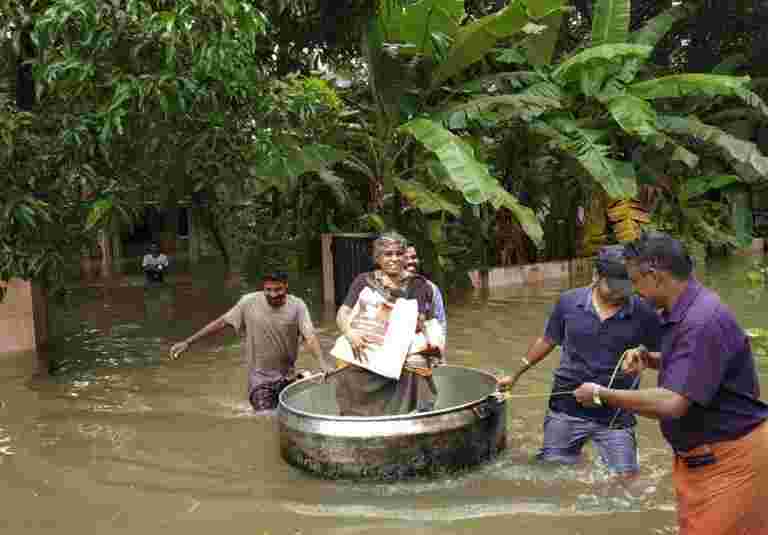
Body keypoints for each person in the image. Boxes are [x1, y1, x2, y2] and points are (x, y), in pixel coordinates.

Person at [574, 232, 768, 534]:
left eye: (636, 282)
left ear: (655, 277)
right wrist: (653, 360)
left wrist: (601, 393)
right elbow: (703, 365)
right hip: (705, 458)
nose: (634, 292)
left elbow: (672, 403)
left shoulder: (701, 320)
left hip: (729, 459)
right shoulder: (687, 310)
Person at [499, 245, 662, 477]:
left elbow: (665, 355)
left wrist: (643, 355)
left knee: (626, 481)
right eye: (614, 284)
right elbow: (548, 340)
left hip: (616, 415)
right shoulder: (568, 302)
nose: (621, 292)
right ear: (596, 276)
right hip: (567, 408)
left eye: (627, 284)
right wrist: (515, 374)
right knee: (551, 474)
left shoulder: (644, 311)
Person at [169, 271, 332, 411]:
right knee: (266, 418)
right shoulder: (249, 302)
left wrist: (322, 362)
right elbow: (221, 322)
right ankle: (301, 377)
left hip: (286, 377)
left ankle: (300, 376)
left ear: (286, 286)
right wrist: (188, 342)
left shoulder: (297, 306)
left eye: (278, 289)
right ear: (263, 288)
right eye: (268, 290)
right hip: (259, 380)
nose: (273, 294)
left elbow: (309, 336)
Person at [334, 232, 444, 416]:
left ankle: (415, 414)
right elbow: (343, 313)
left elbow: (419, 322)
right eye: (388, 254)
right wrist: (350, 333)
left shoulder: (418, 284)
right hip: (367, 339)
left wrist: (394, 299)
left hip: (402, 342)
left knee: (417, 362)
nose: (394, 259)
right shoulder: (364, 280)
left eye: (398, 254)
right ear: (378, 258)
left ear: (405, 256)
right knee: (345, 358)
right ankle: (355, 415)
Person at [403, 245, 447, 347]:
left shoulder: (431, 288)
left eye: (414, 257)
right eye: (406, 258)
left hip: (421, 346)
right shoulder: (388, 287)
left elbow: (440, 324)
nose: (410, 261)